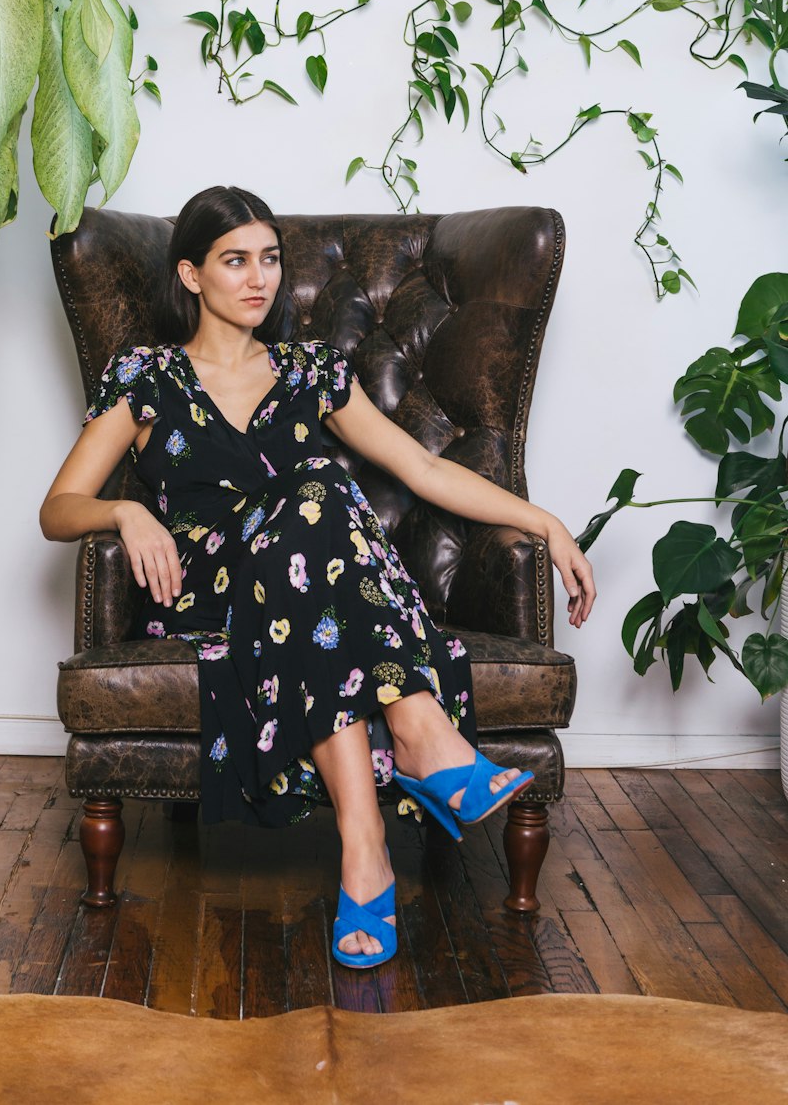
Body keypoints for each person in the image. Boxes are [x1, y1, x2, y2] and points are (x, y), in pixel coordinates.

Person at [40, 186, 596, 970]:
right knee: (322, 491)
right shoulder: (147, 379)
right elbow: (58, 508)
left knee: (320, 514)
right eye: (236, 261)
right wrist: (125, 516)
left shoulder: (313, 371)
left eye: (269, 259)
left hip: (309, 594)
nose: (258, 279)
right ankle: (422, 736)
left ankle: (363, 847)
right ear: (192, 275)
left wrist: (545, 522)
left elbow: (423, 467)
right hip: (206, 592)